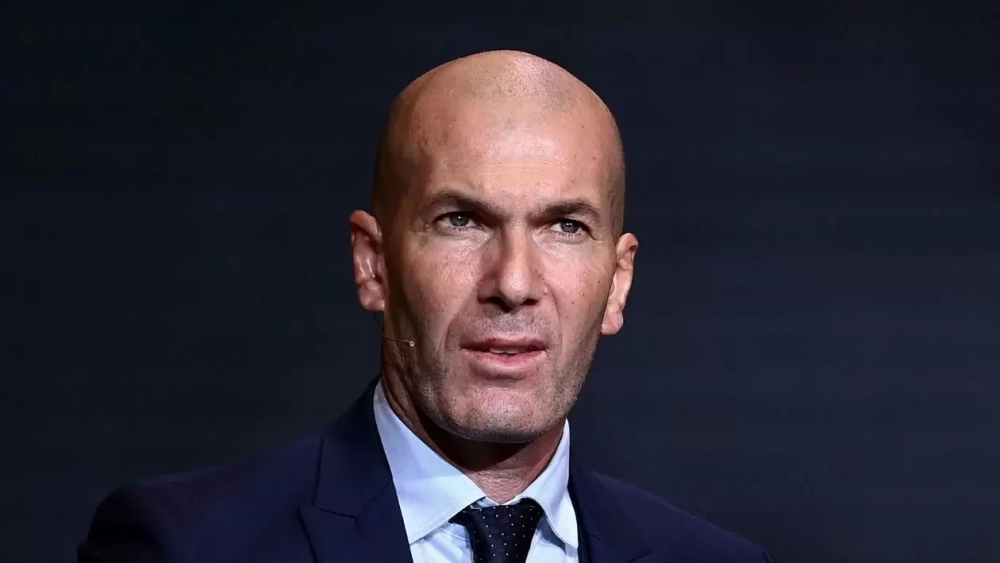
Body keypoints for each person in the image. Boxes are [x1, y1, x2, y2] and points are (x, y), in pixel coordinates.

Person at [78, 50, 771, 563]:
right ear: (373, 263)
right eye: (461, 220)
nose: (514, 282)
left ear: (617, 282)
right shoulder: (188, 546)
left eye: (564, 226)